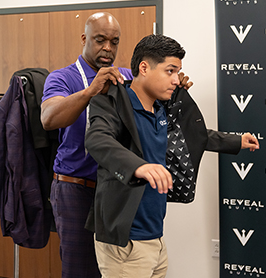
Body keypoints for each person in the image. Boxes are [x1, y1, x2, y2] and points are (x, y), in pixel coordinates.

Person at [84, 34, 259, 278]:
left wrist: (236, 141)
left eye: (177, 72)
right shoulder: (111, 102)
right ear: (144, 67)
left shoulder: (161, 108)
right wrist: (138, 167)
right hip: (126, 240)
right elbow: (97, 139)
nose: (177, 80)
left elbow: (193, 136)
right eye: (170, 71)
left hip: (155, 236)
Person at [41, 12, 192, 278]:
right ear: (84, 39)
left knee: (116, 268)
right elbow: (49, 119)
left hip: (116, 188)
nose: (108, 48)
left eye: (114, 41)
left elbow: (150, 96)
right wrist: (89, 92)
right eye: (100, 40)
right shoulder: (62, 77)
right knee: (79, 269)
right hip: (76, 186)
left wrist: (172, 82)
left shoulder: (124, 77)